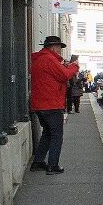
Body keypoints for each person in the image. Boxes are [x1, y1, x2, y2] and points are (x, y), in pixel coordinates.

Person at [30, 35, 80, 174]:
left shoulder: (39, 59)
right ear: (53, 47)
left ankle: (38, 161)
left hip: (40, 103)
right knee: (57, 135)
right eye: (59, 48)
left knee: (47, 132)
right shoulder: (49, 59)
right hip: (51, 103)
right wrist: (74, 66)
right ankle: (53, 165)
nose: (60, 51)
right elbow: (64, 75)